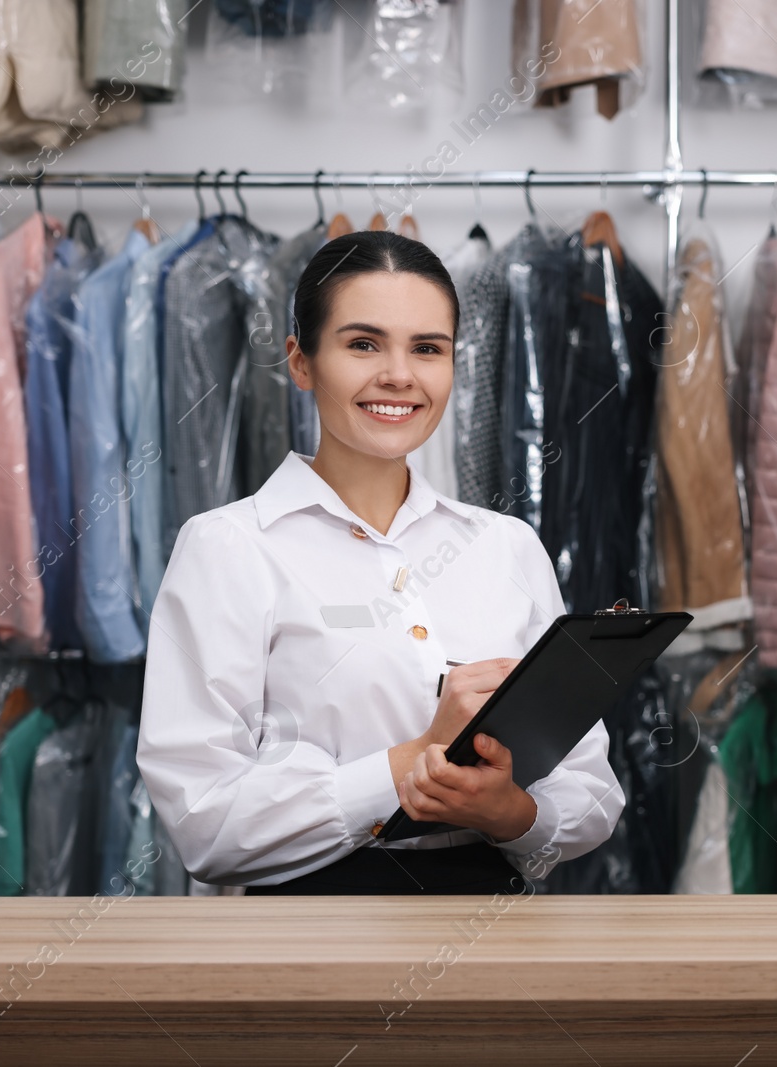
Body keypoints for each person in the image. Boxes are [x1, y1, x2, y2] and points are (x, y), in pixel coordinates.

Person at [136, 230, 623, 894]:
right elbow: (206, 825)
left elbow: (592, 789)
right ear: (301, 362)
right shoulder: (228, 548)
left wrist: (511, 812)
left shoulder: (506, 546)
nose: (399, 374)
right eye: (363, 344)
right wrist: (413, 760)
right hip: (313, 946)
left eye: (428, 348)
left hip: (498, 941)